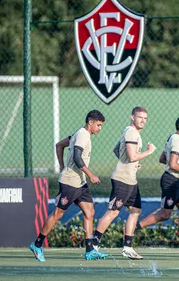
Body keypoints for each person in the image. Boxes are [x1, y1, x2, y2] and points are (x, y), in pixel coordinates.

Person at [29, 110, 107, 261]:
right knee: (58, 214)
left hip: (80, 182)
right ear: (90, 122)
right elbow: (77, 158)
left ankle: (90, 250)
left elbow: (59, 145)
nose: (99, 128)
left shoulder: (78, 134)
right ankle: (37, 244)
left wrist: (61, 166)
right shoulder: (83, 135)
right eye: (98, 125)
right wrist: (91, 174)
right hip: (70, 183)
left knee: (89, 212)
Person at [92, 106, 156, 260]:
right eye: (140, 117)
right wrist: (148, 152)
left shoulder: (132, 133)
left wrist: (132, 163)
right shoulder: (131, 132)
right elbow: (133, 156)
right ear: (132, 117)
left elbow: (118, 151)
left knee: (136, 210)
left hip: (131, 180)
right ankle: (93, 245)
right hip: (123, 179)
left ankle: (127, 247)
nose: (142, 120)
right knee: (113, 212)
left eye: (145, 118)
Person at [135, 116, 179, 254]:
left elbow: (163, 159)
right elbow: (172, 164)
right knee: (165, 214)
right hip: (170, 181)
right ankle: (134, 228)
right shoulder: (177, 141)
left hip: (177, 181)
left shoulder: (173, 138)